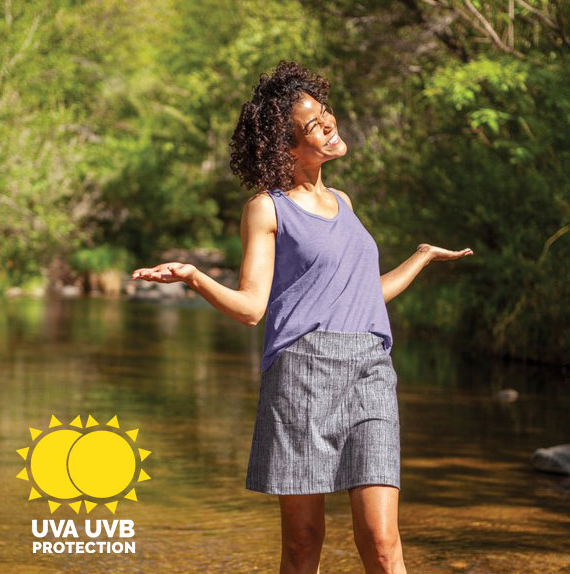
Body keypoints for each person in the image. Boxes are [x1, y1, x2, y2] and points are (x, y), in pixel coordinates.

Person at [132, 60, 473, 574]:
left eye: (325, 113)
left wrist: (420, 256)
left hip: (370, 371)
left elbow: (361, 297)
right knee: (303, 544)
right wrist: (195, 278)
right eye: (314, 125)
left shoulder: (344, 201)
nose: (329, 124)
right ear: (285, 147)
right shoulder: (267, 209)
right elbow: (252, 309)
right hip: (302, 375)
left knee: (382, 541)